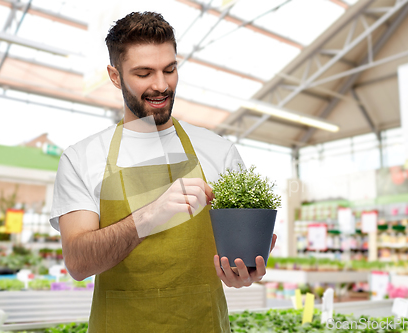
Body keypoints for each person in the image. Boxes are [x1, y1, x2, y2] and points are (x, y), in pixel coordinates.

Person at [50, 11, 276, 333]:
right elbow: (79, 262)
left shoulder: (218, 151)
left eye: (169, 70)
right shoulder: (82, 158)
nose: (161, 85)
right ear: (115, 76)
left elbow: (237, 250)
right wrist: (150, 215)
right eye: (144, 73)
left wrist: (244, 269)